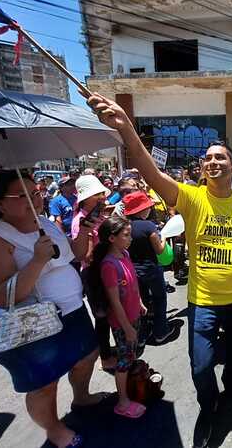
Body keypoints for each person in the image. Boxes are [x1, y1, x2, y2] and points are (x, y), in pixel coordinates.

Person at [84, 91, 232, 448]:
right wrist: (126, 128)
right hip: (202, 302)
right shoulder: (191, 197)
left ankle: (230, 385)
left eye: (220, 157)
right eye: (208, 158)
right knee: (200, 367)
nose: (213, 162)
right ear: (203, 168)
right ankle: (209, 407)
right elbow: (148, 169)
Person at [0, 170, 103, 448]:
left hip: (74, 311)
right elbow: (0, 297)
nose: (34, 200)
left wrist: (87, 230)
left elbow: (73, 256)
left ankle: (81, 397)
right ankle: (53, 428)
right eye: (22, 196)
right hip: (36, 323)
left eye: (36, 193)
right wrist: (38, 261)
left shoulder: (45, 224)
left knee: (87, 356)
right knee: (45, 383)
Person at [89, 216, 148, 419]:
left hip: (133, 316)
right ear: (112, 238)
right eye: (126, 235)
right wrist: (127, 328)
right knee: (123, 362)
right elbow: (115, 302)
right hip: (123, 322)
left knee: (130, 356)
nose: (130, 238)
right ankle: (122, 402)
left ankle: (131, 388)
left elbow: (132, 284)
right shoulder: (108, 266)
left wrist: (139, 302)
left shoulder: (125, 253)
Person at [71, 175, 115, 372]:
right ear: (85, 198)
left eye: (101, 193)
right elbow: (86, 256)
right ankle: (105, 357)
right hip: (93, 274)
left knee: (112, 311)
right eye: (96, 194)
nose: (101, 197)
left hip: (108, 270)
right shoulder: (79, 222)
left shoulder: (101, 216)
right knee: (102, 317)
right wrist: (89, 237)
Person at [123, 191, 176, 344]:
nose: (149, 210)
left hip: (133, 271)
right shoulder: (148, 226)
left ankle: (142, 335)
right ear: (141, 209)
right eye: (147, 207)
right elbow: (159, 249)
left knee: (142, 301)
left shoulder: (125, 226)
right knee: (159, 299)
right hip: (151, 269)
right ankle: (161, 331)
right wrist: (164, 236)